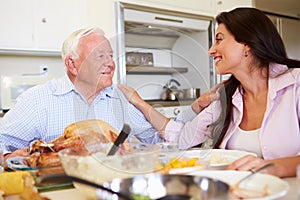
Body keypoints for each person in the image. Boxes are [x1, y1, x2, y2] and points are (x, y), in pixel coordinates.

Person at [118, 7, 300, 178]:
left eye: (219, 39)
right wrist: (138, 101)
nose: (211, 50)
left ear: (247, 44)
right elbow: (181, 137)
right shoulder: (225, 98)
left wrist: (272, 167)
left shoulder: (296, 84)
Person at [0, 27, 170, 165]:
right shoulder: (39, 100)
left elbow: (156, 140)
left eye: (111, 56)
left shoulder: (119, 98)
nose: (110, 63)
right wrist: (7, 157)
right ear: (72, 65)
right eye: (100, 56)